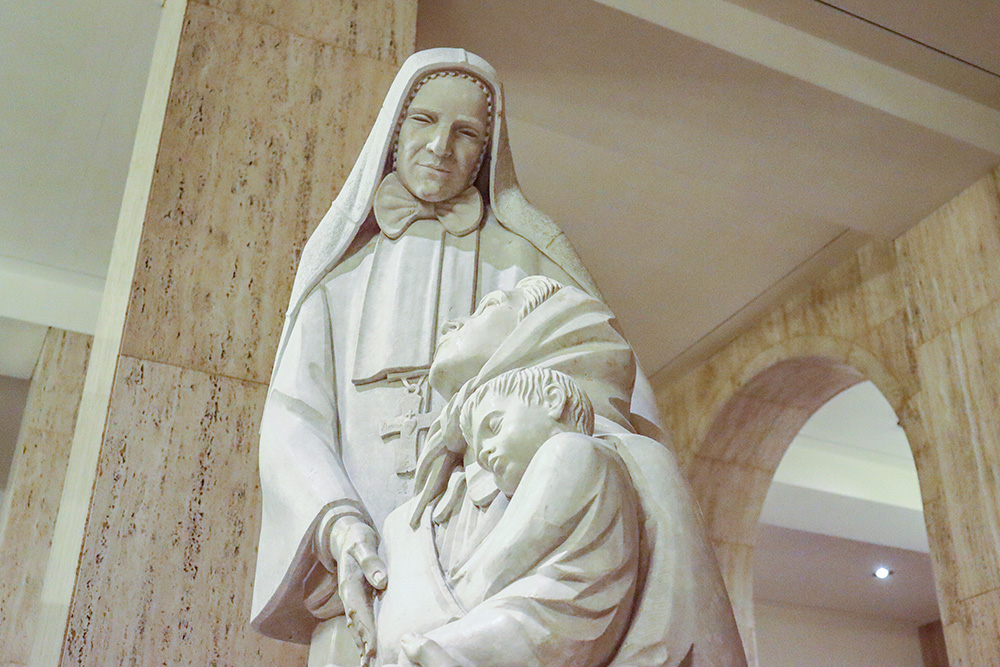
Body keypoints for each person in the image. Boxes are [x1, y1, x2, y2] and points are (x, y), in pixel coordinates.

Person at [250, 48, 664, 665]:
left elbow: (615, 393)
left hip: (498, 574)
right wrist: (340, 527)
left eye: (465, 131)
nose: (441, 146)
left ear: (486, 150)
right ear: (394, 131)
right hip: (365, 581)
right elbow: (292, 420)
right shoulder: (338, 277)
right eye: (423, 121)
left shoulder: (533, 263)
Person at [395, 277, 748, 667]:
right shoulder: (423, 515)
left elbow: (689, 631)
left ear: (542, 326)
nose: (449, 326)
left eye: (488, 305)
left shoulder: (617, 458)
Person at [375, 367, 641, 667]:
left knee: (421, 650)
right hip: (544, 622)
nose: (485, 452)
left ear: (553, 401)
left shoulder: (571, 450)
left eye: (495, 426)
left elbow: (503, 562)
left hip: (557, 616)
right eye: (478, 447)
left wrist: (438, 602)